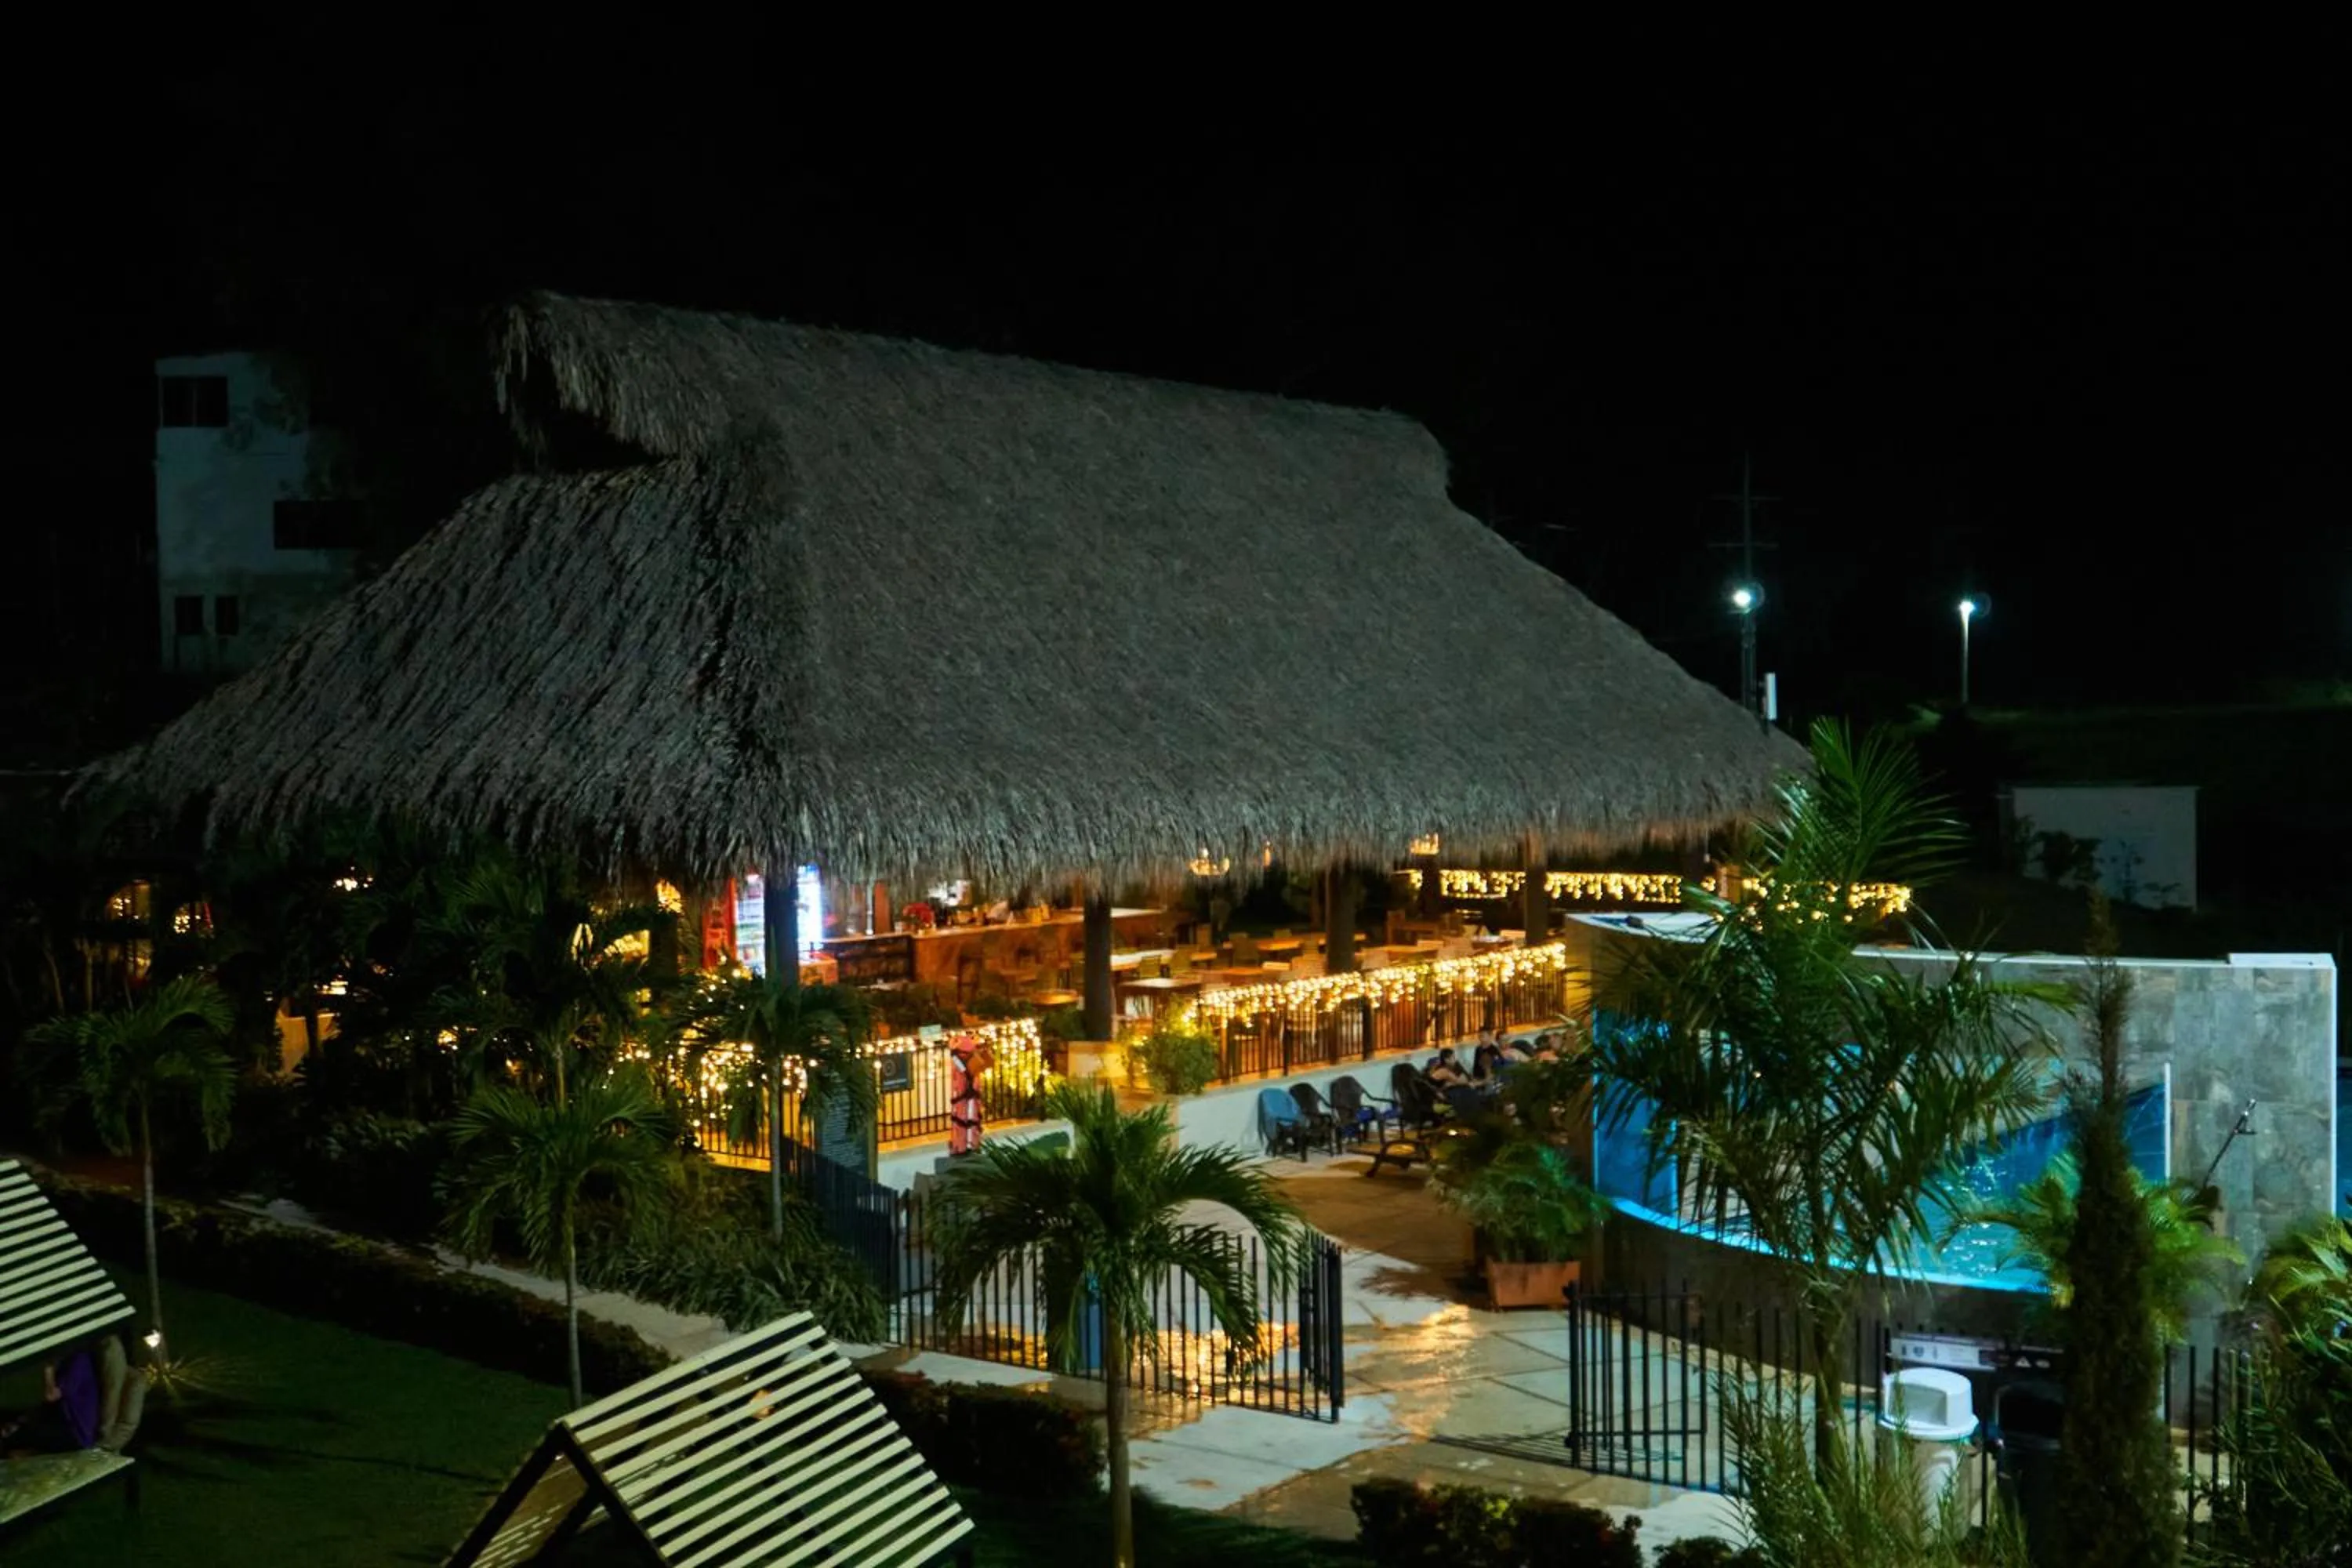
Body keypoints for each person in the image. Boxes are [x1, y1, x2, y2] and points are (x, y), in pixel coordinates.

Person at [948, 1032, 996, 1157]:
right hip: (967, 1093)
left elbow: (963, 1071)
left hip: (965, 1093)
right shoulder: (959, 1056)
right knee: (968, 1118)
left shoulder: (956, 1056)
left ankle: (963, 1145)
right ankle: (969, 1145)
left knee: (965, 1118)